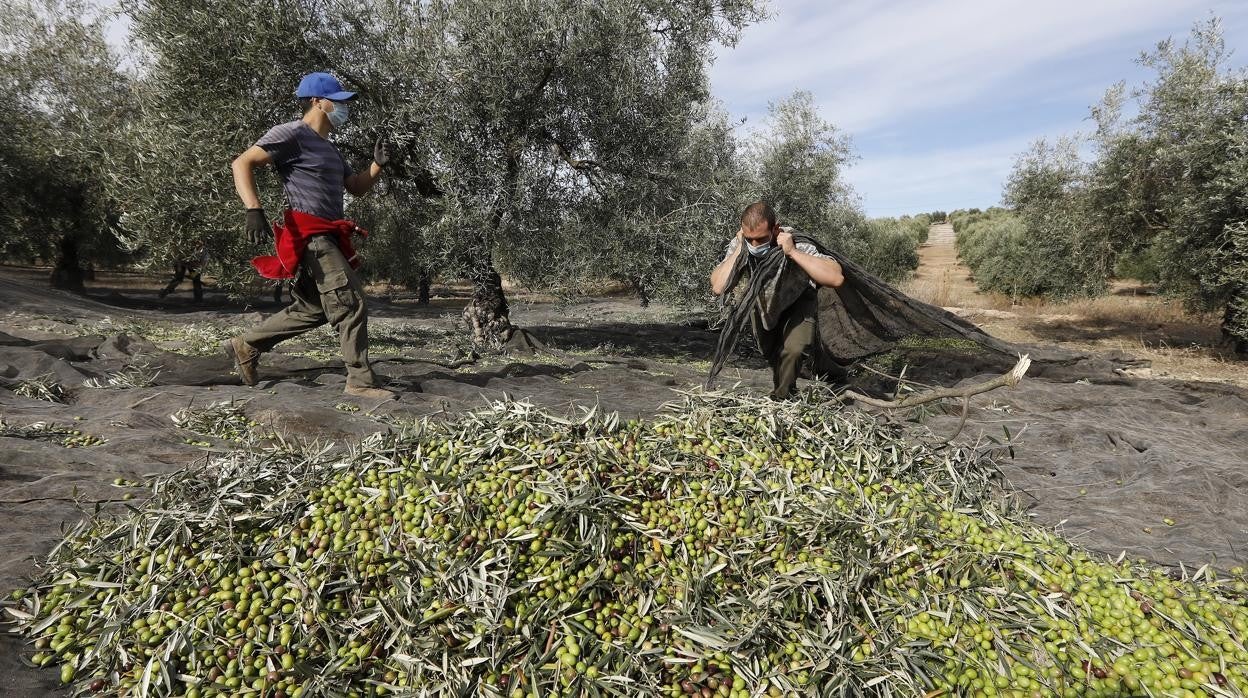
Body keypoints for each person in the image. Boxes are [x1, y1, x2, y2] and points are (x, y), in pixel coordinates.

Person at [223, 72, 395, 400]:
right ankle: (359, 380)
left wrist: (376, 165)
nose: (344, 108)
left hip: (328, 235)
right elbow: (241, 163)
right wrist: (253, 208)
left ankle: (246, 346)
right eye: (338, 101)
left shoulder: (330, 149)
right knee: (350, 301)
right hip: (311, 237)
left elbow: (355, 187)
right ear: (317, 101)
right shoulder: (292, 134)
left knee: (314, 309)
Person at [709, 201, 845, 399]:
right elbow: (719, 286)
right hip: (763, 305)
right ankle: (785, 389)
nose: (755, 245)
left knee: (794, 350)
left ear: (776, 229)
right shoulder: (741, 245)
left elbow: (835, 277)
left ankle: (782, 398)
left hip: (798, 301)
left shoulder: (797, 242)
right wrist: (739, 249)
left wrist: (792, 252)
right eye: (750, 239)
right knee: (772, 355)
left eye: (761, 239)